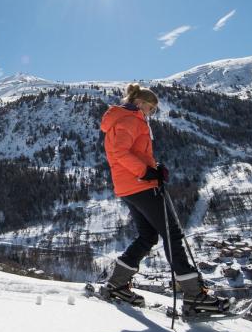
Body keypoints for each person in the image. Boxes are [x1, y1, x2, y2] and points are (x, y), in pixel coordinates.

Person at [98, 83, 231, 315]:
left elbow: (134, 153)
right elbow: (119, 153)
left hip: (130, 186)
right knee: (172, 234)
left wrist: (155, 167)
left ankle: (117, 284)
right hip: (140, 185)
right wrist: (146, 173)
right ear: (140, 103)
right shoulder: (130, 119)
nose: (152, 113)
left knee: (148, 236)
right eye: (151, 108)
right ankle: (194, 296)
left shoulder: (125, 119)